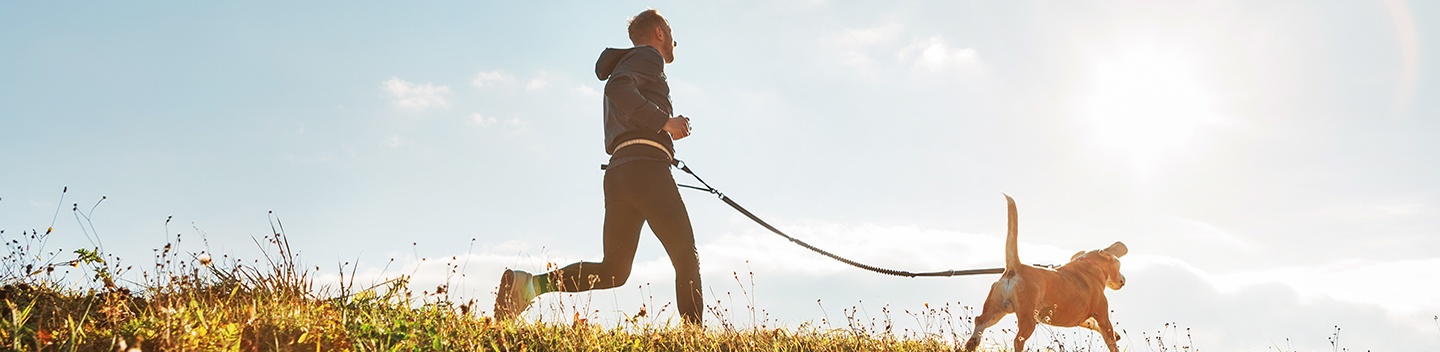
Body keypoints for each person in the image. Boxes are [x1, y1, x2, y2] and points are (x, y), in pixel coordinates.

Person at [494, 8, 702, 325]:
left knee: (614, 270)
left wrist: (664, 129)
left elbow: (621, 93)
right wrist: (666, 122)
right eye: (671, 32)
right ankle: (693, 339)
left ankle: (530, 285)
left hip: (621, 172)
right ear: (659, 32)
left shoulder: (632, 61)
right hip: (646, 170)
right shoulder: (649, 57)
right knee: (686, 256)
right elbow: (617, 88)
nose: (675, 40)